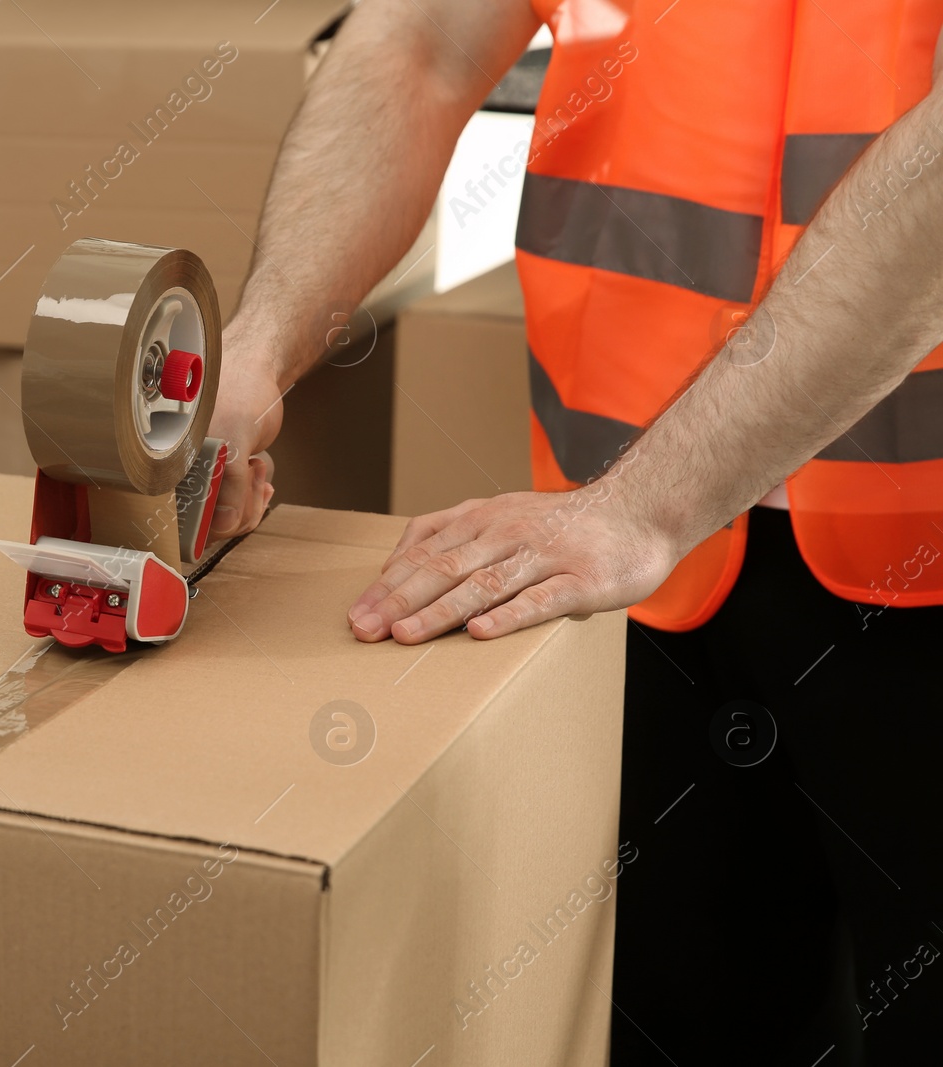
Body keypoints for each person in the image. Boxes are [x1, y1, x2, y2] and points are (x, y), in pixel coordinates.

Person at [207, 0, 943, 1062]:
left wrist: (644, 504)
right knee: (678, 1014)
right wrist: (259, 341)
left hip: (895, 553)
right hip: (634, 573)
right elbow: (419, 47)